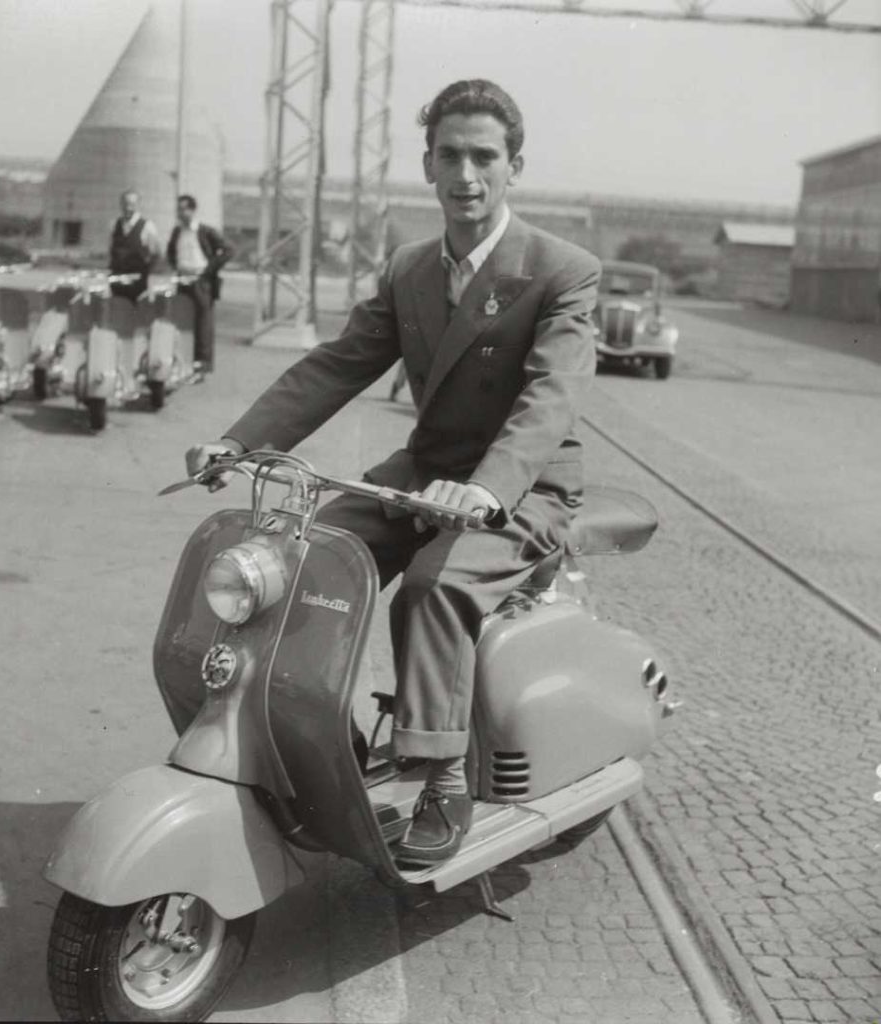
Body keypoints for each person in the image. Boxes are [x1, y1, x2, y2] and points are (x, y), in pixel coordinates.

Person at [185, 80, 599, 866]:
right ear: (427, 165)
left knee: (434, 587)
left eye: (484, 156)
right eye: (450, 155)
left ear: (515, 166)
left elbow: (551, 396)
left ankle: (441, 773)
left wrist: (486, 490)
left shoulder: (561, 270)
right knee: (297, 556)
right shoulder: (411, 266)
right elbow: (336, 365)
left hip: (518, 486)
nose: (466, 174)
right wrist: (236, 443)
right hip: (425, 474)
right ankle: (311, 730)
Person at [166, 194, 229, 379]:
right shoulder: (177, 232)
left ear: (192, 210)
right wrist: (176, 266)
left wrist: (209, 269)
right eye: (178, 209)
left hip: (200, 282)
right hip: (182, 280)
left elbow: (228, 250)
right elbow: (170, 252)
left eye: (184, 209)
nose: (181, 213)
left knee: (202, 324)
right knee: (181, 322)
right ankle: (182, 362)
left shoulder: (205, 231)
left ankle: (201, 366)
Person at [108, 189, 159, 302]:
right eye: (125, 204)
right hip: (117, 280)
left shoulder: (147, 226)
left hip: (137, 282)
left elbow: (155, 254)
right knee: (117, 312)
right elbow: (111, 250)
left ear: (138, 205)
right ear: (121, 204)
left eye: (132, 204)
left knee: (136, 315)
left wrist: (145, 273)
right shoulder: (114, 225)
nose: (128, 208)